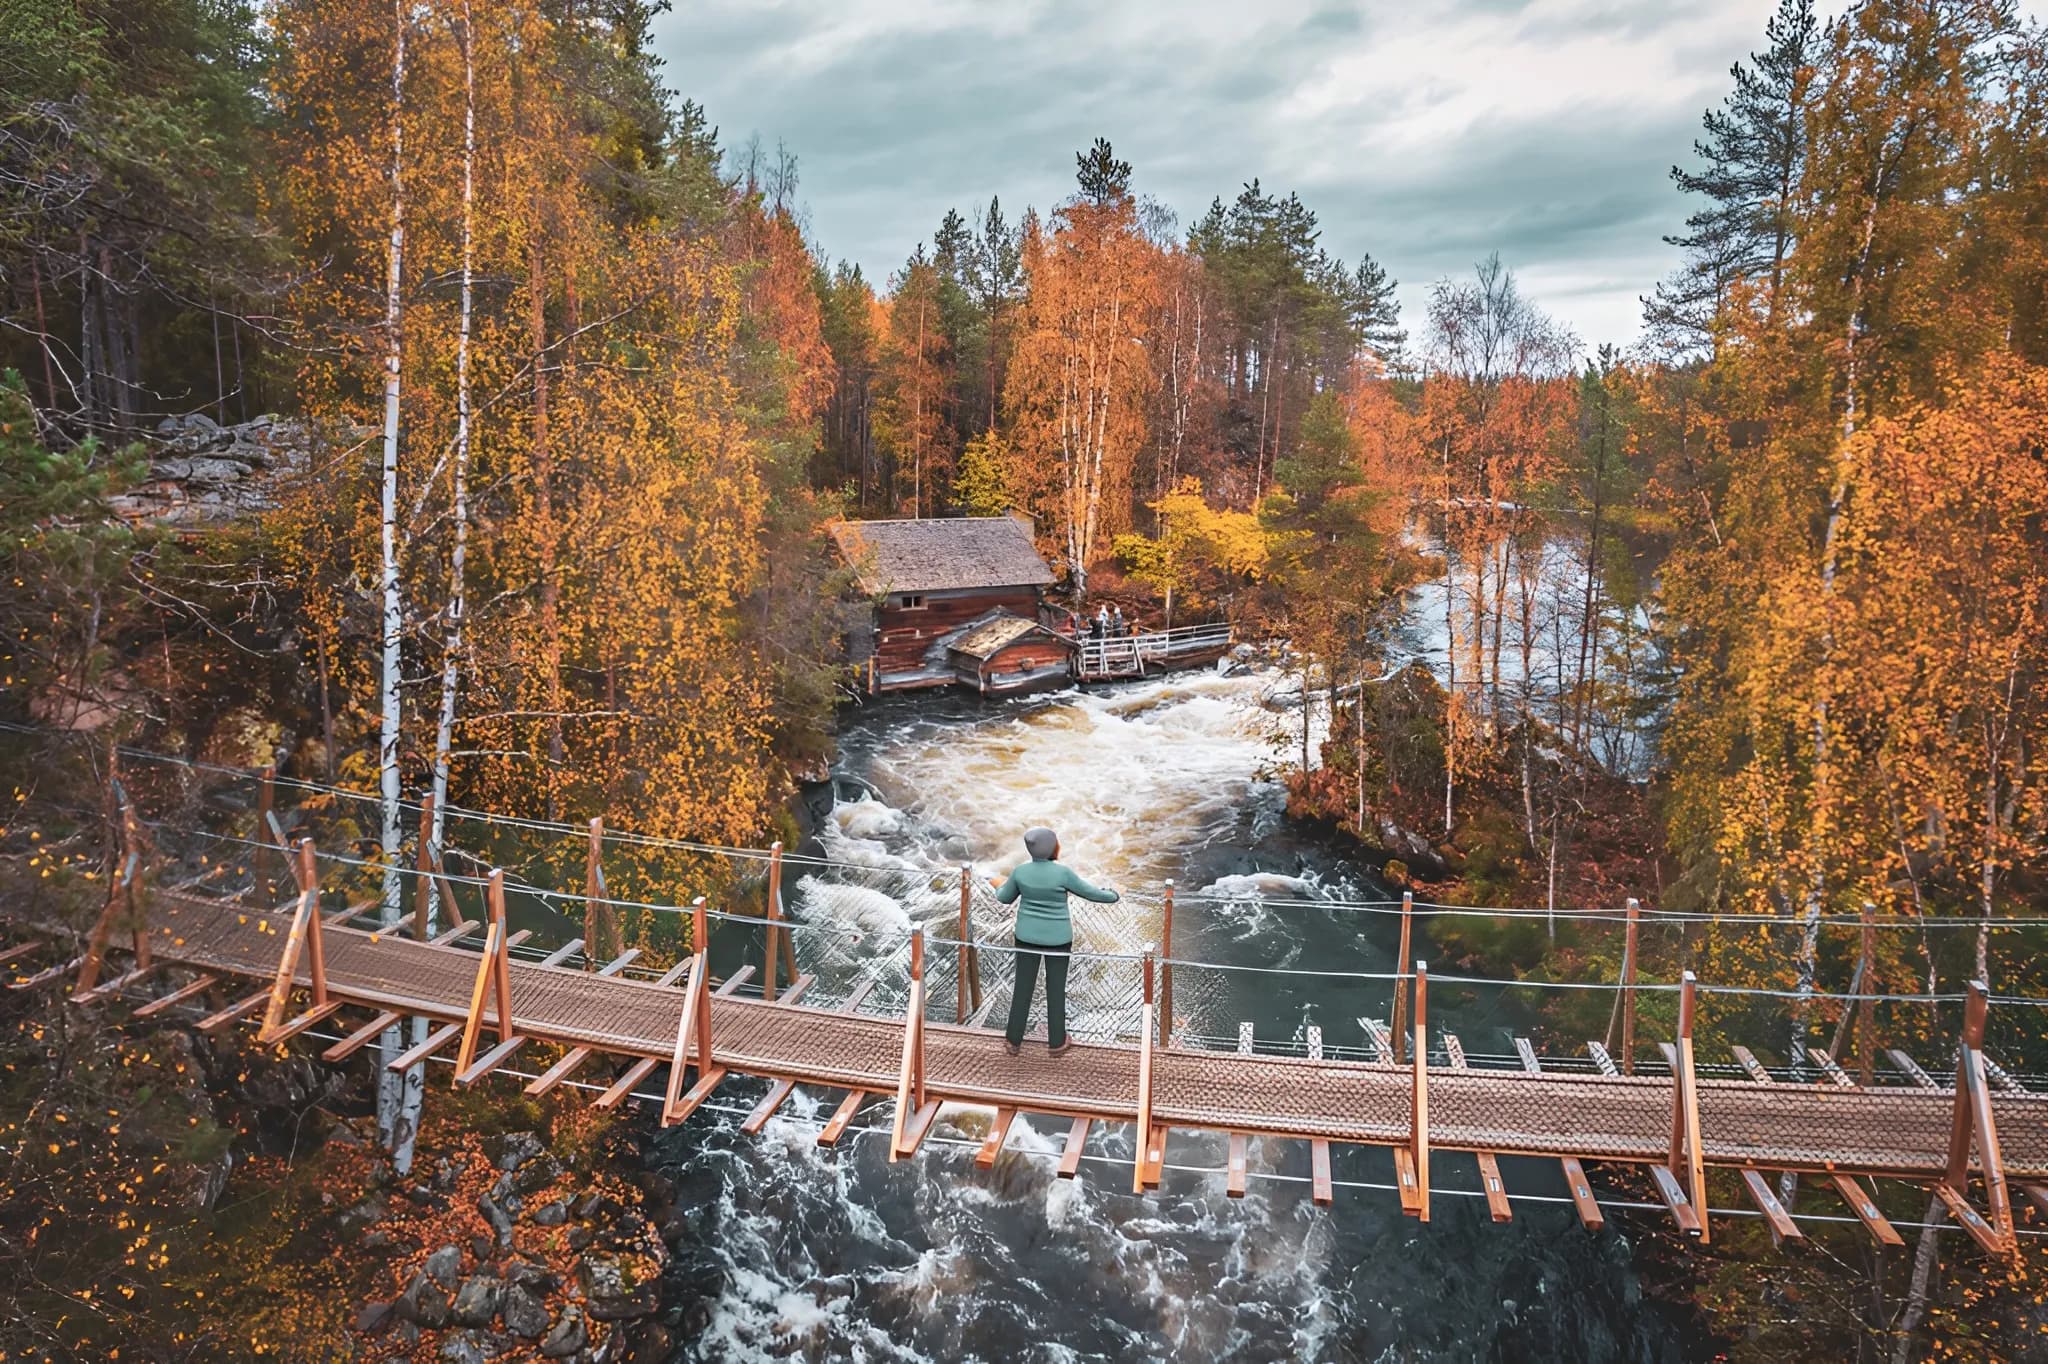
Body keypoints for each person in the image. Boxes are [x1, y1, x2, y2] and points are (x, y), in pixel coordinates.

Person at [993, 826, 1118, 1056]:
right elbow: (1092, 893)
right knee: (1056, 989)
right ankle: (1056, 1042)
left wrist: (997, 884)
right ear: (1052, 847)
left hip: (1025, 938)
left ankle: (1013, 1040)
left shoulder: (1020, 872)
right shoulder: (1063, 874)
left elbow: (1003, 897)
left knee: (1022, 987)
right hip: (1058, 940)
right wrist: (1114, 894)